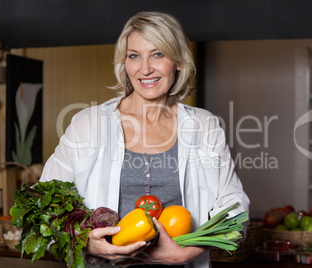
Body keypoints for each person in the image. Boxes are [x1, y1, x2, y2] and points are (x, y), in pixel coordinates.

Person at [40, 11, 250, 268]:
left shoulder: (204, 125)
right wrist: (84, 240)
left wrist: (190, 252)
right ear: (124, 63)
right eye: (134, 56)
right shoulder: (88, 123)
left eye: (158, 54)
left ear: (178, 61)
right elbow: (45, 205)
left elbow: (234, 207)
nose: (145, 68)